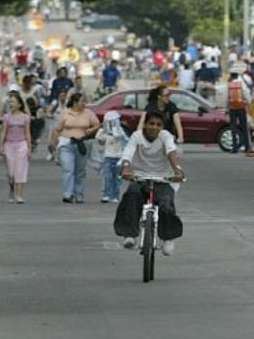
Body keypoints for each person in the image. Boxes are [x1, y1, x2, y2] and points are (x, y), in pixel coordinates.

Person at [114, 111, 186, 255]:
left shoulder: (166, 136)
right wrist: (126, 168)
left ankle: (168, 238)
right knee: (131, 196)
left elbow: (171, 152)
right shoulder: (137, 136)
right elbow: (128, 153)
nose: (154, 127)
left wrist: (177, 170)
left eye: (158, 125)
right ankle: (130, 234)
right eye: (151, 123)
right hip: (140, 177)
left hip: (164, 178)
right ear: (145, 124)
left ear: (162, 127)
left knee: (166, 204)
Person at [51, 92, 101, 203]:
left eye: (84, 101)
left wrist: (91, 130)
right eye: (82, 101)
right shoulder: (65, 113)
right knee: (68, 169)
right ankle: (68, 194)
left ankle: (79, 194)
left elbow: (97, 124)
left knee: (80, 171)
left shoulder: (88, 113)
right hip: (67, 144)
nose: (84, 104)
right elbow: (57, 129)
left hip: (82, 144)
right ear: (75, 102)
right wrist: (53, 144)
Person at [0, 92, 32, 203]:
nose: (11, 104)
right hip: (9, 145)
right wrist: (1, 146)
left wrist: (29, 148)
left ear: (19, 104)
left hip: (21, 144)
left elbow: (27, 133)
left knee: (20, 170)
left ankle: (19, 195)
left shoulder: (25, 117)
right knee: (11, 172)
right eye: (10, 102)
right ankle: (12, 189)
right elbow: (3, 132)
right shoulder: (7, 117)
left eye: (13, 102)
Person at [95, 110, 128, 203]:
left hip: (118, 157)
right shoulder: (103, 132)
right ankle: (107, 194)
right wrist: (103, 132)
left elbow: (125, 141)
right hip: (108, 157)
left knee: (117, 178)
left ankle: (115, 195)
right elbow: (100, 141)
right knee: (107, 177)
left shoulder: (120, 131)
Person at [227, 70, 252, 153]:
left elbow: (226, 97)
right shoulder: (242, 84)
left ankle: (234, 147)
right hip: (241, 107)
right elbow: (247, 94)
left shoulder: (229, 85)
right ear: (237, 76)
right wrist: (248, 103)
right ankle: (247, 146)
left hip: (232, 108)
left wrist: (227, 108)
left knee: (233, 128)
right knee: (244, 127)